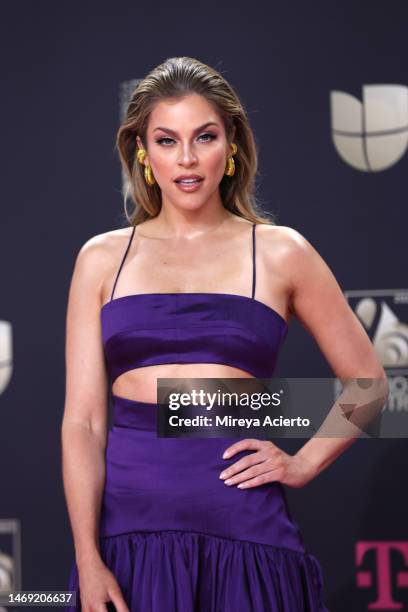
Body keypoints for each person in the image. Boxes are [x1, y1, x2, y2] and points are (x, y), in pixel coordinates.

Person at [62, 56, 386, 611]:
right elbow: (85, 422)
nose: (186, 160)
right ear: (142, 149)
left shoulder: (282, 251)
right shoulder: (101, 258)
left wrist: (302, 462)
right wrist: (89, 560)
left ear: (231, 142)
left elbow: (371, 386)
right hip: (129, 539)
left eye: (204, 137)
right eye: (167, 140)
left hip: (247, 530)